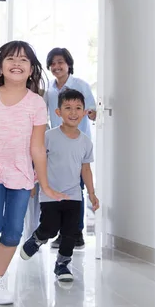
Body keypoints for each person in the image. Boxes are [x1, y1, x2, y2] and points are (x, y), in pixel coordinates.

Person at [0, 40, 67, 305]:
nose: (17, 63)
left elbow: (37, 147)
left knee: (12, 232)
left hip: (21, 175)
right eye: (11, 58)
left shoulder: (36, 104)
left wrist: (44, 183)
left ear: (31, 69)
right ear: (0, 68)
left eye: (23, 60)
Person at [20, 88, 100, 283]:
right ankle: (38, 238)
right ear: (58, 112)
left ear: (84, 112)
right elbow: (36, 160)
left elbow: (86, 170)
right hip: (50, 193)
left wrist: (91, 193)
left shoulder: (86, 142)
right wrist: (31, 182)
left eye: (78, 108)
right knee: (50, 227)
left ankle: (62, 264)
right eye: (68, 108)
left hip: (74, 194)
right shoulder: (48, 136)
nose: (73, 112)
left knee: (70, 232)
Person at [44, 47, 96, 249]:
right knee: (59, 189)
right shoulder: (48, 89)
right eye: (53, 63)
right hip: (56, 145)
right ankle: (64, 232)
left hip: (76, 143)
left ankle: (76, 233)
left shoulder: (81, 85)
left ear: (68, 64)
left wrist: (92, 114)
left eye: (60, 62)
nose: (56, 67)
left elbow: (92, 109)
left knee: (77, 189)